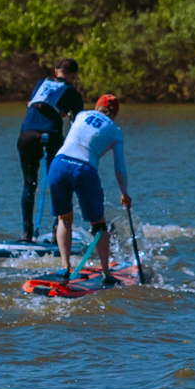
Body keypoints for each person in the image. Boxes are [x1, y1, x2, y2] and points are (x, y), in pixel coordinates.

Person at [47, 94, 129, 280]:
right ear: (114, 114)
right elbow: (120, 168)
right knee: (98, 224)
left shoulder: (82, 115)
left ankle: (65, 266)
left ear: (96, 107)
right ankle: (106, 273)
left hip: (58, 164)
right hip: (84, 169)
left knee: (64, 218)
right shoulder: (116, 131)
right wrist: (124, 193)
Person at [17, 59, 85, 242]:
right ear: (73, 76)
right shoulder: (72, 92)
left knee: (29, 184)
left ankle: (26, 234)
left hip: (27, 135)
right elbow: (79, 125)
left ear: (56, 71)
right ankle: (58, 232)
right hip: (52, 135)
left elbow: (37, 104)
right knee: (59, 183)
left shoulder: (40, 83)